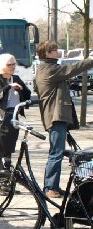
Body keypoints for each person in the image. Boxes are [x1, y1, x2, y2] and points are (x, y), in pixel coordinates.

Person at [34, 40, 93, 198]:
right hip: (55, 116)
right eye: (54, 50)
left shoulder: (45, 68)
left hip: (56, 116)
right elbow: (72, 69)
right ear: (46, 53)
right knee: (56, 153)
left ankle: (53, 185)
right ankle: (49, 188)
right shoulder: (49, 69)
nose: (57, 51)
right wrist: (90, 60)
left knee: (57, 152)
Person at [0, 53, 31, 187]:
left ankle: (7, 181)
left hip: (13, 118)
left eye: (14, 64)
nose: (12, 67)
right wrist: (9, 87)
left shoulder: (16, 78)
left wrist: (22, 90)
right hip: (1, 119)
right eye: (9, 64)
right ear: (2, 66)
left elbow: (27, 94)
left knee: (9, 151)